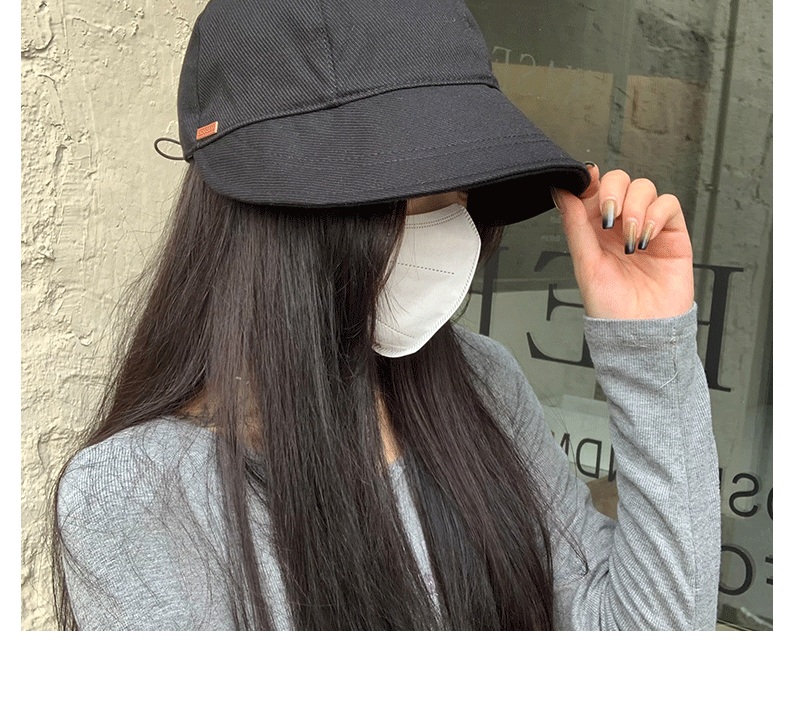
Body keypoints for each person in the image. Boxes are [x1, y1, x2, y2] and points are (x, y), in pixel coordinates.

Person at [51, 0, 721, 631]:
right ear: (279, 220)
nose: (454, 229)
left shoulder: (481, 382)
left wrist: (648, 343)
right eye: (414, 190)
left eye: (462, 191)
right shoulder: (139, 496)